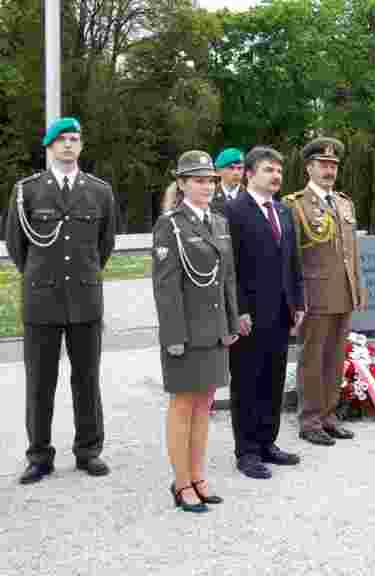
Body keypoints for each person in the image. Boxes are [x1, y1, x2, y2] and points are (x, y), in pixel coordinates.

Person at [6, 117, 116, 485]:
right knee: (40, 382)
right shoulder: (28, 191)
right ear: (49, 146)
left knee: (87, 379)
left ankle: (89, 451)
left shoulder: (100, 192)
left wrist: (83, 274)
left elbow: (105, 245)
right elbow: (18, 247)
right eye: (61, 139)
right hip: (42, 301)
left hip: (85, 299)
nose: (69, 145)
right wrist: (41, 276)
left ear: (80, 146)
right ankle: (39, 455)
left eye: (74, 139)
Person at [152, 151, 239, 512]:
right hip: (186, 333)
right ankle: (181, 482)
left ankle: (199, 476)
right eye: (198, 179)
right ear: (183, 183)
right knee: (183, 404)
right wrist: (173, 336)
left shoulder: (218, 223)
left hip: (215, 330)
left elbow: (227, 279)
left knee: (204, 406)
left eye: (210, 180)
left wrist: (232, 324)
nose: (206, 185)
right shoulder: (170, 225)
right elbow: (165, 287)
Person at [224, 147, 305, 479]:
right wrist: (238, 311)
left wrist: (298, 302)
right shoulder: (234, 211)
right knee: (247, 381)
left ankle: (268, 442)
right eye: (269, 170)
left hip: (280, 311)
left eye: (279, 171)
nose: (276, 176)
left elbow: (293, 260)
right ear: (249, 174)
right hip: (250, 315)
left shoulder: (284, 211)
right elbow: (230, 267)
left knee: (272, 379)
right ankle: (247, 450)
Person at [283, 137, 366, 446]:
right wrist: (296, 297)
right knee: (312, 360)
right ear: (309, 167)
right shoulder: (295, 205)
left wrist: (357, 288)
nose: (329, 170)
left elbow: (351, 252)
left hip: (343, 293)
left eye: (333, 165)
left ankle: (330, 416)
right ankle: (310, 420)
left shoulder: (344, 202)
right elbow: (291, 257)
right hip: (314, 296)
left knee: (334, 358)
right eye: (323, 165)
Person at [210, 148, 245, 215]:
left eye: (240, 168)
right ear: (218, 171)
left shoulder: (250, 196)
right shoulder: (209, 196)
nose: (236, 173)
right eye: (231, 168)